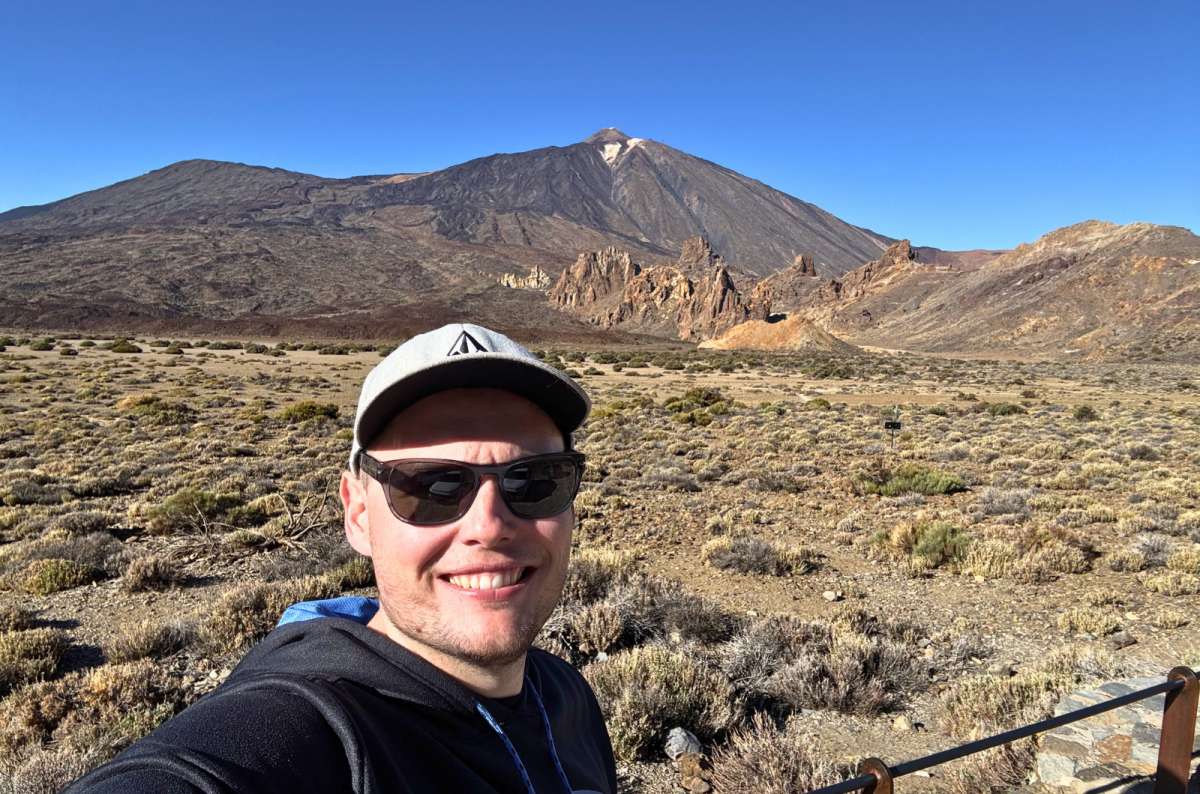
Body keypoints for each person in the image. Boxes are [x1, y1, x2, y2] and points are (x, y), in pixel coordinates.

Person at [68, 323, 618, 794]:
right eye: (432, 486)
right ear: (357, 513)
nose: (489, 527)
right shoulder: (307, 728)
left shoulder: (566, 696)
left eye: (535, 482)